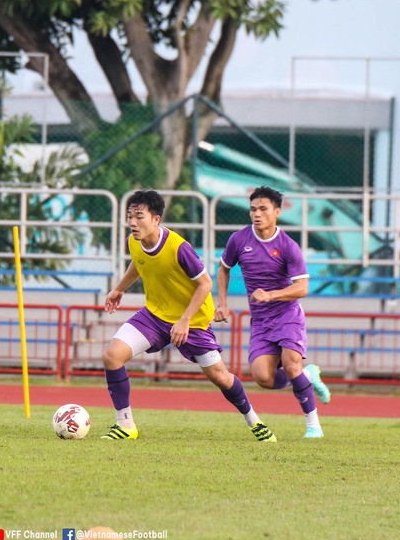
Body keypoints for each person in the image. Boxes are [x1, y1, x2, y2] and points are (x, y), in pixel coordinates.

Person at [100, 190, 276, 443]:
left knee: (220, 377)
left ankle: (254, 421)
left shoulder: (179, 247)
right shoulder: (134, 241)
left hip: (192, 322)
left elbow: (205, 283)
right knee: (111, 356)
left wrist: (184, 320)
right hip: (154, 316)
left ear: (156, 219)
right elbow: (139, 263)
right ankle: (125, 426)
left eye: (139, 216)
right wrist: (119, 289)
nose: (133, 222)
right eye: (130, 216)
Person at [214, 186, 331, 439]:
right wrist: (222, 303)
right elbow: (223, 269)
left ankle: (313, 425)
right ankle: (309, 374)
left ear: (277, 212)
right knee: (263, 378)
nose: (257, 214)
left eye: (263, 209)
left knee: (290, 366)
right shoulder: (238, 240)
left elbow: (302, 287)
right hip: (261, 321)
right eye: (253, 209)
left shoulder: (287, 245)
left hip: (288, 315)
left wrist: (270, 295)